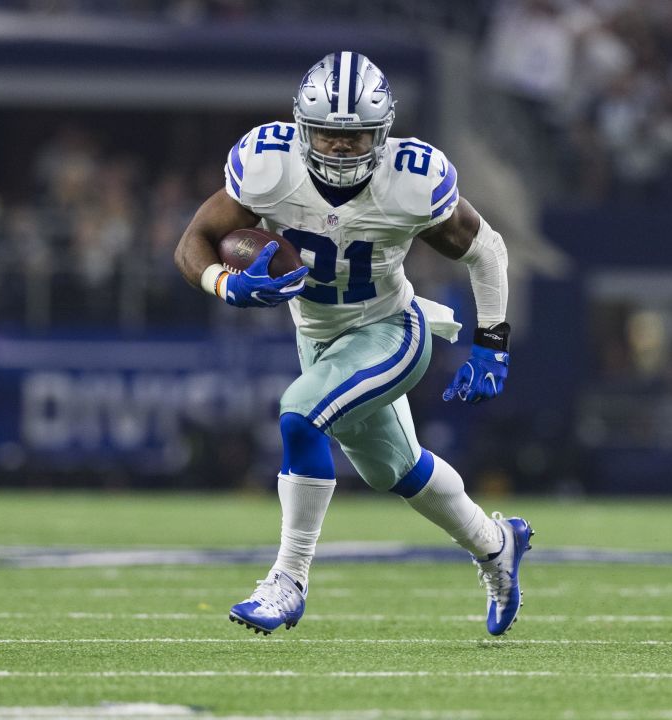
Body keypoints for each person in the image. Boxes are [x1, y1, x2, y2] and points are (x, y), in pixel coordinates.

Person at [174, 52, 532, 637]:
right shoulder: (269, 166)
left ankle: (287, 581)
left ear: (384, 131)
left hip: (391, 330)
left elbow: (485, 248)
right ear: (301, 127)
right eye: (329, 134)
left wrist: (493, 340)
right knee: (399, 471)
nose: (342, 147)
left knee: (299, 414)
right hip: (317, 338)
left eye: (358, 134)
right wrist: (226, 284)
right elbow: (195, 240)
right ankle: (497, 545)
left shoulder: (410, 180)